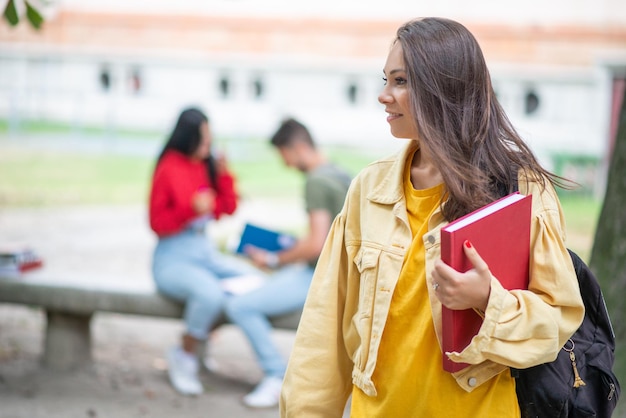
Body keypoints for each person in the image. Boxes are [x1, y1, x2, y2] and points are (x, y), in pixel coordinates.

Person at [279, 17, 585, 417]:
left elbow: (557, 319)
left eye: (400, 81)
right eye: (385, 80)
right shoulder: (368, 190)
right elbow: (323, 334)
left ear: (445, 88)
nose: (383, 96)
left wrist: (487, 300)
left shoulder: (520, 189)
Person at [224, 118, 352, 408]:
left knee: (240, 305)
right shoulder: (339, 172)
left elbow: (316, 244)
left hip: (321, 276)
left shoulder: (317, 180)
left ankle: (274, 375)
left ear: (296, 147)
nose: (284, 163)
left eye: (282, 154)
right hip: (341, 272)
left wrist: (272, 257)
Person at [149, 107, 262, 396]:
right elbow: (156, 223)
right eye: (202, 140)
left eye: (209, 140)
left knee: (252, 280)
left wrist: (224, 174)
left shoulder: (206, 164)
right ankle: (184, 354)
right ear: (187, 137)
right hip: (172, 255)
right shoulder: (168, 166)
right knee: (209, 293)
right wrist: (189, 210)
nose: (207, 146)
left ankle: (199, 343)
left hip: (204, 250)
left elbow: (228, 208)